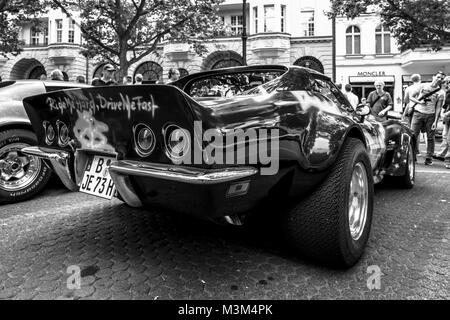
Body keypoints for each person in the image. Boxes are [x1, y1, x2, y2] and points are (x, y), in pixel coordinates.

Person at [409, 71, 446, 165]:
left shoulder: (441, 93)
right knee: (413, 136)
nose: (439, 79)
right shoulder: (423, 86)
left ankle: (429, 158)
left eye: (441, 79)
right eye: (438, 77)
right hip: (418, 113)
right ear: (433, 77)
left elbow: (438, 107)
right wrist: (419, 102)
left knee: (430, 137)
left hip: (431, 115)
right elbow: (411, 97)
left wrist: (436, 121)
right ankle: (412, 157)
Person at [435, 76, 450, 164]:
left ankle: (448, 159)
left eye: (446, 83)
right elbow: (445, 105)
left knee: (449, 138)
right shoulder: (448, 92)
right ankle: (442, 153)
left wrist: (445, 113)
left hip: (448, 116)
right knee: (445, 136)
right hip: (447, 118)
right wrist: (442, 113)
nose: (445, 85)